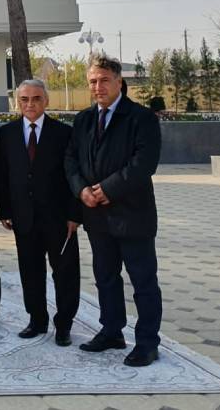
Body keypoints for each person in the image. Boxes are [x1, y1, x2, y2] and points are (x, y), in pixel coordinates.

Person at [65, 56, 163, 367]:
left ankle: (147, 342)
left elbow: (144, 163)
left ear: (119, 82)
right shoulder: (83, 120)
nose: (98, 87)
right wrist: (81, 189)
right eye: (93, 81)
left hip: (133, 215)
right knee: (105, 277)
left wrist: (108, 189)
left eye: (104, 80)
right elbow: (71, 160)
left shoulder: (141, 118)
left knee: (143, 282)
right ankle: (111, 331)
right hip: (96, 216)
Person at [0, 79, 81, 346]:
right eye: (24, 99)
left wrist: (75, 215)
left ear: (46, 101)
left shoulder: (64, 133)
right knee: (30, 271)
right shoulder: (7, 133)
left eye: (36, 99)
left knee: (65, 273)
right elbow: (3, 174)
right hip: (24, 216)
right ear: (17, 102)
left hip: (59, 218)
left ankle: (64, 325)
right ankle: (36, 319)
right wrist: (5, 209)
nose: (30, 104)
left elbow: (75, 175)